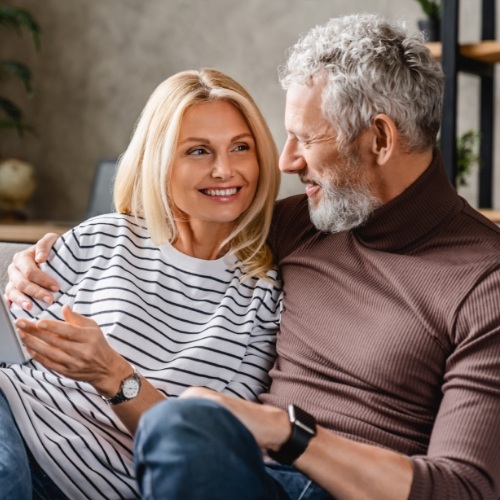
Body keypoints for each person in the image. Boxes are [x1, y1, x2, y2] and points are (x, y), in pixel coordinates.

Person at [7, 13, 500, 500]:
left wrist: (286, 432)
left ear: (380, 139)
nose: (285, 161)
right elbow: (190, 215)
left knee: (181, 425)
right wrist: (36, 259)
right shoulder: (306, 222)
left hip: (335, 485)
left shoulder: (484, 281)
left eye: (305, 138)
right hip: (238, 473)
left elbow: (467, 488)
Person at [0, 68, 282, 499]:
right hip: (14, 419)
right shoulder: (104, 237)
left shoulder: (262, 296)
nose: (225, 170)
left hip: (97, 484)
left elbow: (205, 444)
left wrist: (113, 375)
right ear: (160, 159)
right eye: (199, 151)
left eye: (240, 147)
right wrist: (14, 281)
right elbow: (13, 331)